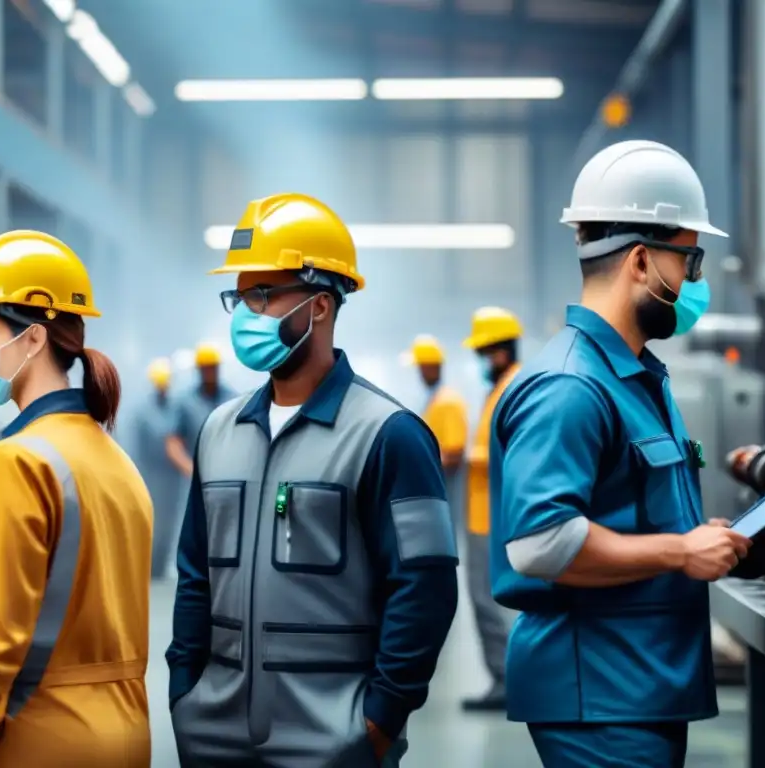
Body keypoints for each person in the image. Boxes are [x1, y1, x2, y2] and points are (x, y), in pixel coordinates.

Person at [489, 140, 765, 768]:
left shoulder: (635, 377)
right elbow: (540, 544)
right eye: (689, 261)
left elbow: (639, 524)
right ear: (641, 260)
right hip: (599, 694)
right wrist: (682, 550)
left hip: (640, 686)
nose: (695, 281)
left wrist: (732, 543)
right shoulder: (570, 387)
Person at [167, 193, 459, 768]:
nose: (246, 315)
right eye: (240, 297)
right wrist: (184, 693)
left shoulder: (389, 435)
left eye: (263, 295)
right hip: (213, 735)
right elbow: (194, 575)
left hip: (334, 740)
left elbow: (425, 591)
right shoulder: (219, 432)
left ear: (320, 305)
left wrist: (376, 722)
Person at [0, 230, 153, 767]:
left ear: (32, 339)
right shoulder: (115, 460)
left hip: (38, 738)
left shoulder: (19, 460)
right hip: (123, 732)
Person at [459, 306, 523, 712]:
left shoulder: (515, 387)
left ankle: (507, 680)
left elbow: (512, 450)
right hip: (483, 512)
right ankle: (505, 677)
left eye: (486, 352)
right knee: (486, 599)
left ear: (501, 351)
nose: (483, 361)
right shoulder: (498, 388)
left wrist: (474, 455)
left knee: (488, 601)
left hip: (494, 516)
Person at [407, 334, 468, 531]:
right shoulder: (435, 400)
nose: (419, 373)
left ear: (431, 367)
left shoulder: (447, 401)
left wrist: (419, 469)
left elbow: (454, 453)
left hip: (446, 489)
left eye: (421, 367)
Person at [164, 342, 235, 479]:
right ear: (199, 369)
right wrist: (189, 469)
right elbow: (173, 443)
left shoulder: (233, 400)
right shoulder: (185, 402)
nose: (209, 372)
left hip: (229, 476)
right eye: (206, 368)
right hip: (195, 479)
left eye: (212, 367)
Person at [138, 357, 181, 578]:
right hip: (151, 476)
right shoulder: (146, 410)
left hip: (170, 478)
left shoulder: (174, 406)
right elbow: (163, 434)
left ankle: (161, 567)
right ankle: (151, 568)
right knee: (153, 522)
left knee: (169, 522)